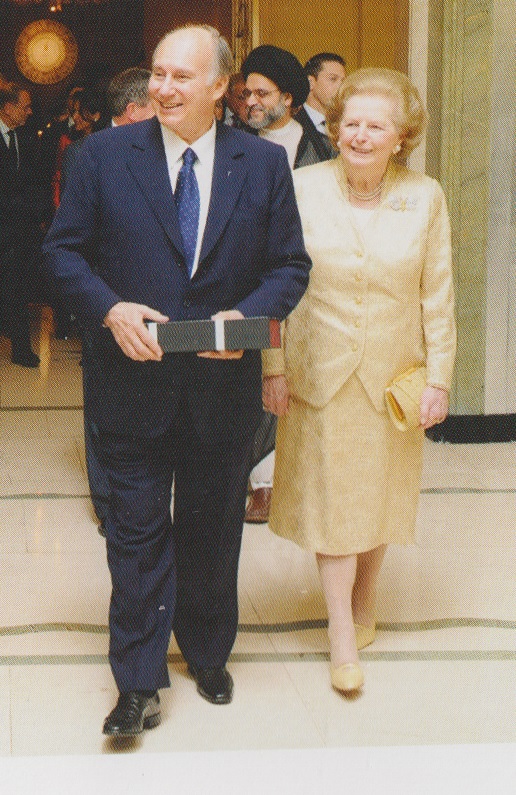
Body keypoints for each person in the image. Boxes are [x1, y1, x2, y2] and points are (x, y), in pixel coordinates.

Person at [43, 24, 310, 737]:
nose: (161, 87)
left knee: (213, 528)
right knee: (133, 535)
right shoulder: (104, 156)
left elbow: (290, 266)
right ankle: (136, 680)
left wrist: (245, 317)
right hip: (129, 384)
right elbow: (62, 254)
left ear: (219, 86)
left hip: (222, 392)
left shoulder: (261, 166)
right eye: (157, 73)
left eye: (179, 77)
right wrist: (108, 307)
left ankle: (208, 649)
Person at [263, 68, 456, 694]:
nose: (362, 135)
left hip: (394, 378)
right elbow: (274, 288)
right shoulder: (298, 187)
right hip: (319, 375)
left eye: (378, 126)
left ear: (400, 137)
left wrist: (440, 380)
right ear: (334, 127)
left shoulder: (424, 196)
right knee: (335, 506)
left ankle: (365, 601)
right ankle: (342, 629)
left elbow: (438, 297)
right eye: (352, 124)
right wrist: (273, 365)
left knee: (380, 500)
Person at [240, 45, 329, 523]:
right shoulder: (229, 143)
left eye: (262, 93)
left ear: (288, 99)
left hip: (297, 284)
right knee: (248, 380)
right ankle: (251, 481)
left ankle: (273, 483)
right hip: (241, 284)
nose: (251, 101)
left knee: (286, 379)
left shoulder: (318, 150)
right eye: (246, 92)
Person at [85, 67, 155, 536]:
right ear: (134, 110)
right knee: (103, 402)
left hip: (147, 304)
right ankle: (108, 503)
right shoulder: (90, 154)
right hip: (103, 300)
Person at [0, 82, 43, 367]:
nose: (29, 112)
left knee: (16, 288)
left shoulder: (25, 137)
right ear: (7, 107)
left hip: (17, 233)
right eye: (24, 106)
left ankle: (21, 349)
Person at [295, 52, 346, 160]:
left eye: (343, 81)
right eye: (333, 79)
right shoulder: (292, 123)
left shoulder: (345, 125)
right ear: (310, 82)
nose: (340, 86)